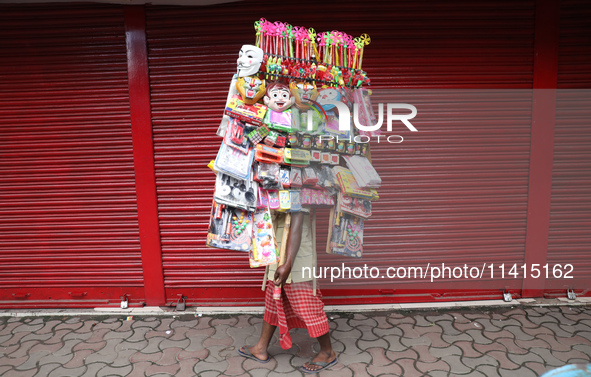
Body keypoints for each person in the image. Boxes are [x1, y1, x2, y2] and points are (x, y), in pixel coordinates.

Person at [238, 210, 337, 374]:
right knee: (273, 299)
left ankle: (327, 352)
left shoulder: (300, 185)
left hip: (296, 254)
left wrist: (288, 264)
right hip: (277, 246)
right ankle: (261, 348)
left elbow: (297, 220)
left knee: (307, 305)